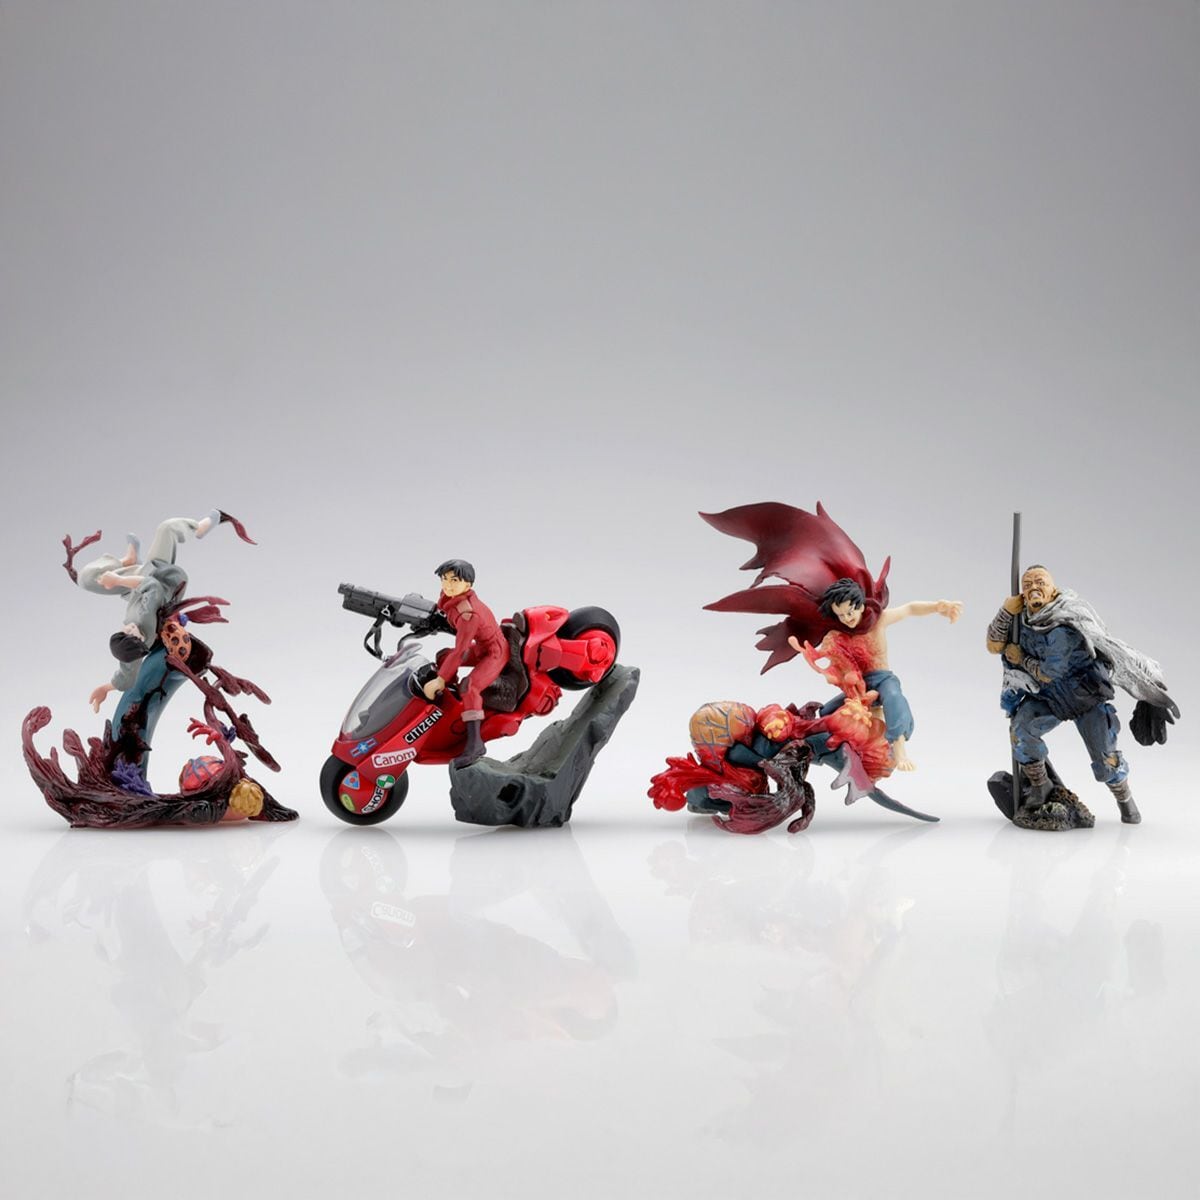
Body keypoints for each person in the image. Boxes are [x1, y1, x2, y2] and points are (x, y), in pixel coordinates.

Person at [986, 564, 1179, 824]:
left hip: (1085, 698)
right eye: (1028, 584)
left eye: (1040, 582)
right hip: (1049, 699)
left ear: (1053, 590)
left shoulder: (1064, 624)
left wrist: (1021, 659)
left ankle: (1125, 801)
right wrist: (1006, 611)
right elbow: (994, 644)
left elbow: (1049, 672)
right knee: (1021, 731)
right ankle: (1041, 786)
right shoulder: (1020, 620)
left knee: (1106, 760)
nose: (1034, 588)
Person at [789, 578, 962, 771]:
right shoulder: (839, 635)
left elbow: (909, 609)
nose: (847, 618)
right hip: (860, 687)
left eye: (850, 612)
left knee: (894, 697)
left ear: (861, 606)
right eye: (841, 615)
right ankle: (835, 749)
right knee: (828, 711)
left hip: (883, 679)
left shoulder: (878, 622)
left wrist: (937, 607)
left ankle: (899, 750)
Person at [422, 559, 509, 768]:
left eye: (454, 580)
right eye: (444, 579)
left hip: (494, 652)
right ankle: (449, 702)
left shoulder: (468, 614)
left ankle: (475, 744)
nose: (447, 585)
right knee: (444, 656)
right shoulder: (449, 599)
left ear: (468, 585)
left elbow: (460, 651)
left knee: (469, 687)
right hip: (480, 648)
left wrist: (440, 679)